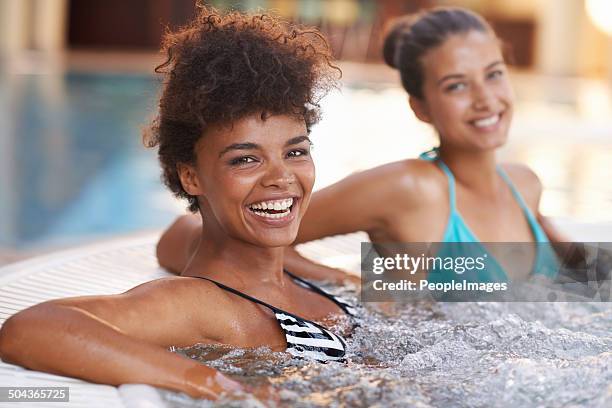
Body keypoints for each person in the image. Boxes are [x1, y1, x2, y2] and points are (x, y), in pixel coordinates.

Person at [0, 6, 352, 401]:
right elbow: (31, 327)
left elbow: (179, 232)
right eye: (245, 159)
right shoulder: (203, 303)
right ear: (191, 176)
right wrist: (217, 386)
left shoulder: (271, 273)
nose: (281, 177)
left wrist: (327, 274)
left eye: (296, 152)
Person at [158, 7, 565, 284]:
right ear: (420, 107)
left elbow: (575, 276)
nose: (485, 99)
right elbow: (182, 237)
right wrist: (352, 287)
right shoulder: (407, 189)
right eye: (456, 85)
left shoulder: (525, 185)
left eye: (494, 75)